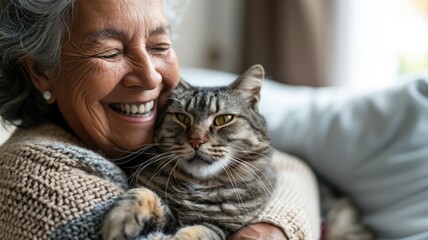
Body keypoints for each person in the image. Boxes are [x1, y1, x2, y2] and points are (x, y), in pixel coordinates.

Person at [0, 0, 320, 239]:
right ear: (42, 71)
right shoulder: (39, 183)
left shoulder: (145, 140)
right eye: (111, 52)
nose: (151, 78)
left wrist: (276, 225)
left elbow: (289, 166)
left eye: (159, 46)